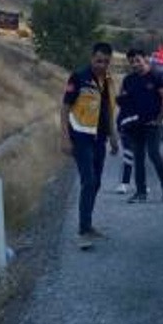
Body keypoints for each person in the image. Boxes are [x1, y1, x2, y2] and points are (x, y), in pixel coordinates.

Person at [60, 42, 119, 246]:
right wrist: (65, 137)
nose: (101, 65)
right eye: (98, 60)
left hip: (99, 138)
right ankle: (83, 231)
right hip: (81, 137)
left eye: (106, 61)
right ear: (91, 57)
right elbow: (65, 108)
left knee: (97, 182)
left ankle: (87, 224)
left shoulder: (109, 81)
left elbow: (109, 110)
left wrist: (113, 136)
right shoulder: (78, 77)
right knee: (88, 181)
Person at [119, 48, 163, 203]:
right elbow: (124, 100)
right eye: (132, 62)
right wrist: (124, 120)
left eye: (137, 60)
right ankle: (141, 192)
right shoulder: (129, 79)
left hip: (153, 125)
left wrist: (158, 120)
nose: (135, 64)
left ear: (145, 59)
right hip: (135, 125)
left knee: (154, 154)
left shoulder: (157, 76)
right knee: (139, 158)